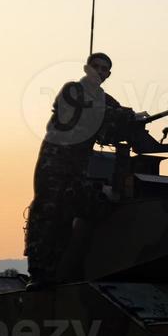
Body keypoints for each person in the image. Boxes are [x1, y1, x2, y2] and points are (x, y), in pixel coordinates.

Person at [24, 52, 144, 286]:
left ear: (107, 75)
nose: (98, 72)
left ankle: (60, 271)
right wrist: (125, 115)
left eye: (103, 69)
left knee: (70, 215)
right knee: (47, 214)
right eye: (95, 67)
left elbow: (118, 125)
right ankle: (39, 273)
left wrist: (134, 120)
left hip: (78, 167)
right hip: (54, 162)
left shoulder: (105, 99)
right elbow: (85, 114)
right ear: (86, 69)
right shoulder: (73, 91)